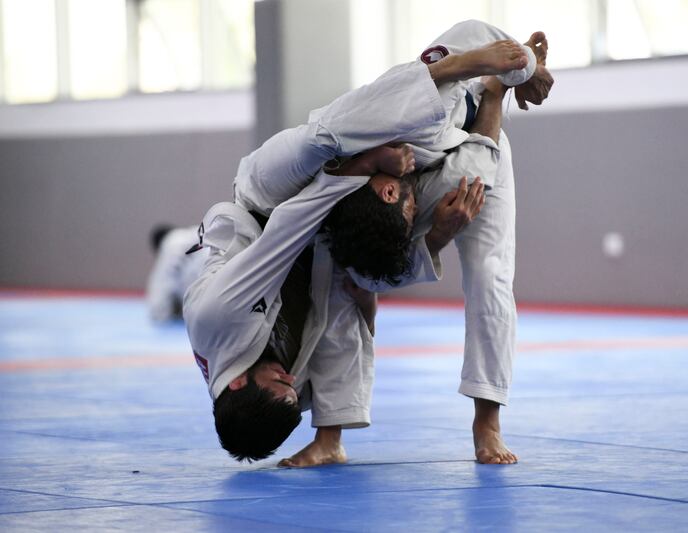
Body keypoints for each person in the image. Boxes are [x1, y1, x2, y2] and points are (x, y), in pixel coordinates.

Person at [185, 41, 522, 463]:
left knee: (324, 137)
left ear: (235, 384)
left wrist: (360, 166)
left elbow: (283, 233)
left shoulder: (218, 319)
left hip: (271, 202)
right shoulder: (274, 392)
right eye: (292, 389)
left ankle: (452, 68)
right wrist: (430, 241)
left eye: (278, 382)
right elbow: (342, 322)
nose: (290, 377)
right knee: (466, 226)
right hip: (330, 239)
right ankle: (492, 94)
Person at [323, 20, 553, 465]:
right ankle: (330, 434)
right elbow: (379, 267)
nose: (417, 214)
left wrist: (518, 73)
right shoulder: (336, 192)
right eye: (412, 216)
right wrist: (436, 235)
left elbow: (483, 42)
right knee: (348, 279)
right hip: (391, 184)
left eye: (412, 213)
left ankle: (488, 420)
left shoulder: (418, 100)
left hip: (477, 138)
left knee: (490, 274)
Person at [146, 225, 207, 322]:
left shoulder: (170, 244)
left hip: (205, 293)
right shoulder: (194, 232)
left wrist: (159, 314)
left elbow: (160, 292)